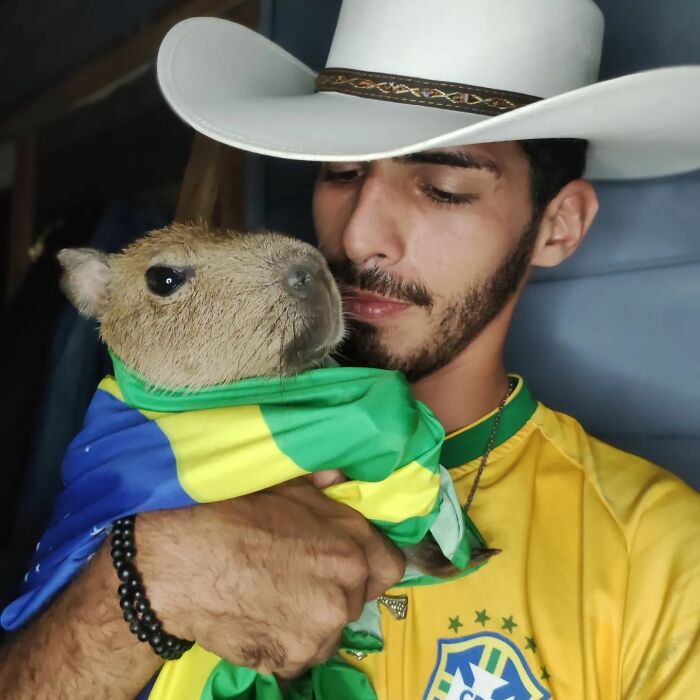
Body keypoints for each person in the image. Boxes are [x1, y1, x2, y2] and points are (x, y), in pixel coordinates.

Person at [1, 1, 699, 698]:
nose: (360, 234)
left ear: (560, 226)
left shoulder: (656, 554)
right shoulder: (163, 436)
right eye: (340, 173)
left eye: (443, 188)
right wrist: (142, 587)